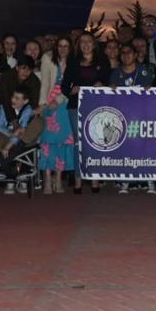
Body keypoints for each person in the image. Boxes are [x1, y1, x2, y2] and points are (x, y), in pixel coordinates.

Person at [63, 32, 107, 193]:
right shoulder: (73, 62)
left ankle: (95, 180)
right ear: (78, 45)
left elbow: (109, 81)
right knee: (78, 142)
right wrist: (72, 90)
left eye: (88, 41)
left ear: (94, 44)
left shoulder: (102, 61)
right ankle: (78, 180)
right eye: (82, 42)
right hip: (76, 106)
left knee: (95, 141)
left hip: (97, 107)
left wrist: (102, 84)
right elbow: (64, 86)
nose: (85, 44)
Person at [0, 85, 44, 193]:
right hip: (7, 137)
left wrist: (8, 146)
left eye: (17, 98)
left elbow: (21, 131)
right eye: (13, 97)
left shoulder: (27, 110)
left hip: (22, 141)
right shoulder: (4, 108)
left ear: (25, 101)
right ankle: (6, 165)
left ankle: (5, 164)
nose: (13, 100)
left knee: (39, 122)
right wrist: (11, 134)